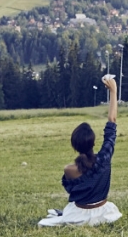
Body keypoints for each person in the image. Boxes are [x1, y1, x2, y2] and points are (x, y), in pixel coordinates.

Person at [38, 74, 123, 226]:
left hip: (78, 215)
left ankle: (60, 215)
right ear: (93, 142)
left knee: (46, 221)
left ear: (74, 145)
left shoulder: (69, 170)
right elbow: (112, 121)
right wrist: (113, 91)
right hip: (104, 213)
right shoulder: (104, 159)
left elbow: (75, 194)